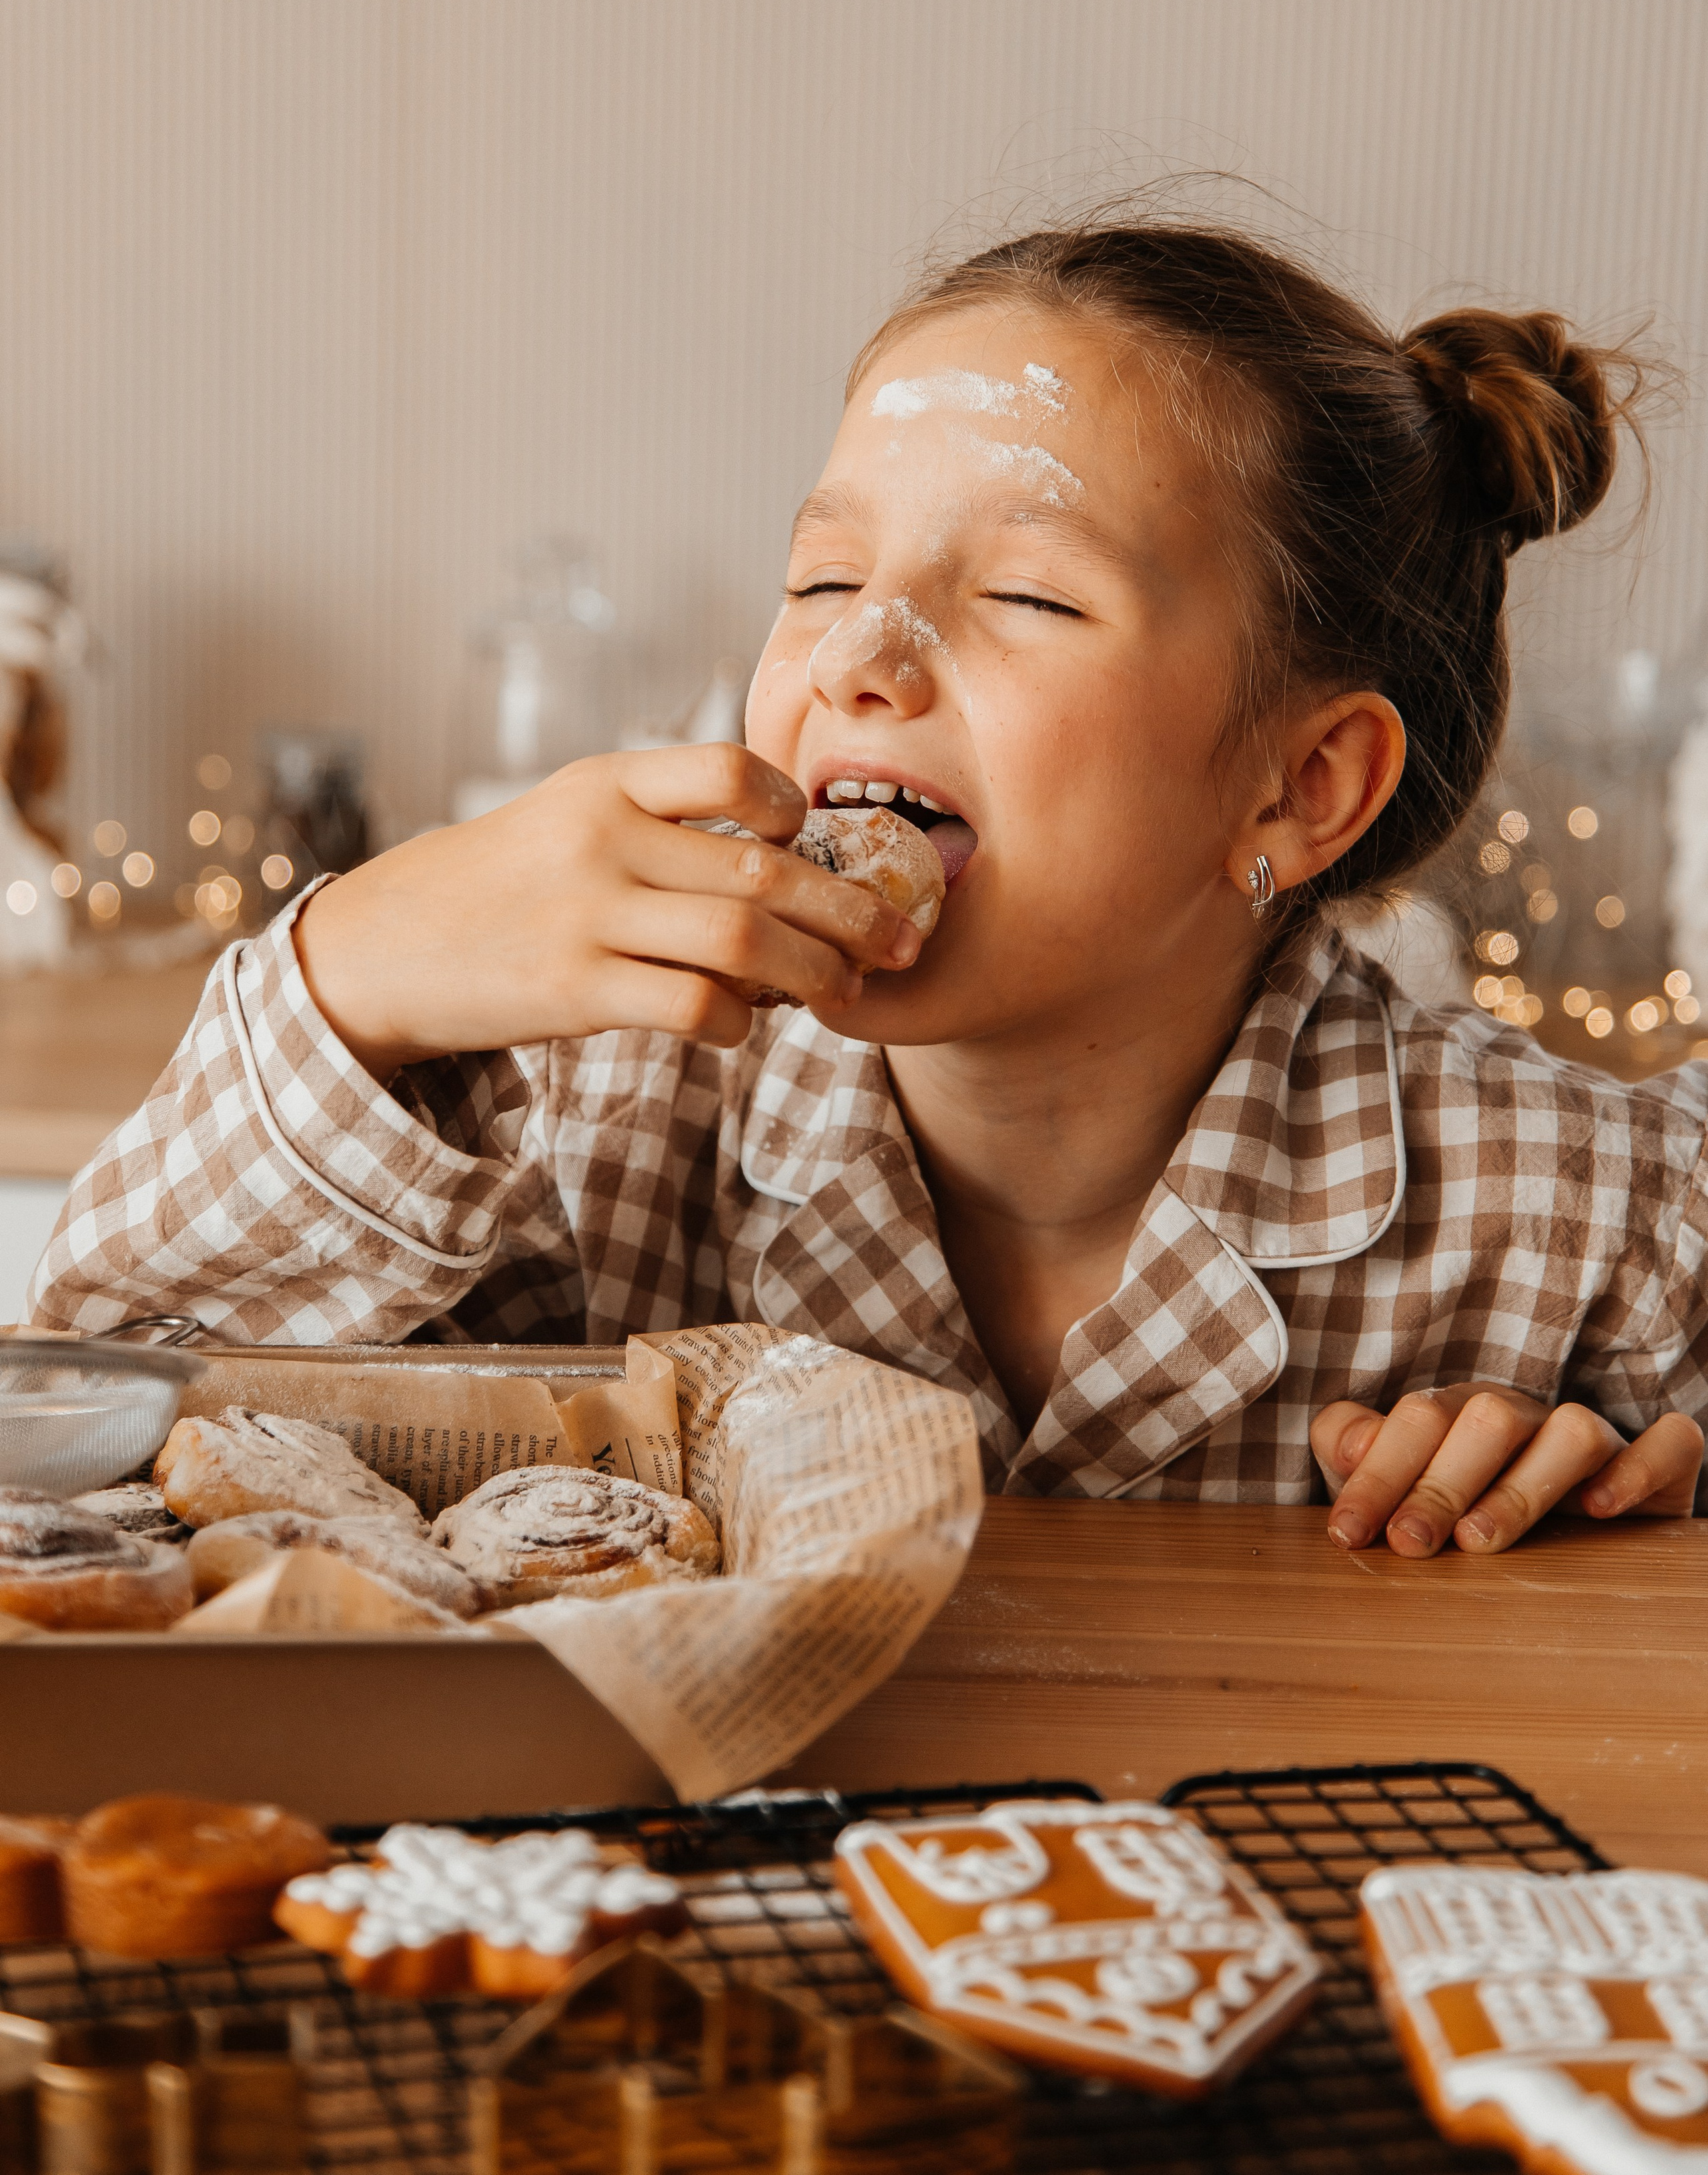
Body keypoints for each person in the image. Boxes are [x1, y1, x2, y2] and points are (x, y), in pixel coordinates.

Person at [32, 219, 1707, 1556]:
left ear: (1300, 783)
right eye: (822, 573)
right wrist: (359, 974)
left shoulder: (1585, 1224)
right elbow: (91, 1437)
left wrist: (1629, 1497)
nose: (858, 654)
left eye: (1031, 599)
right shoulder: (575, 1117)